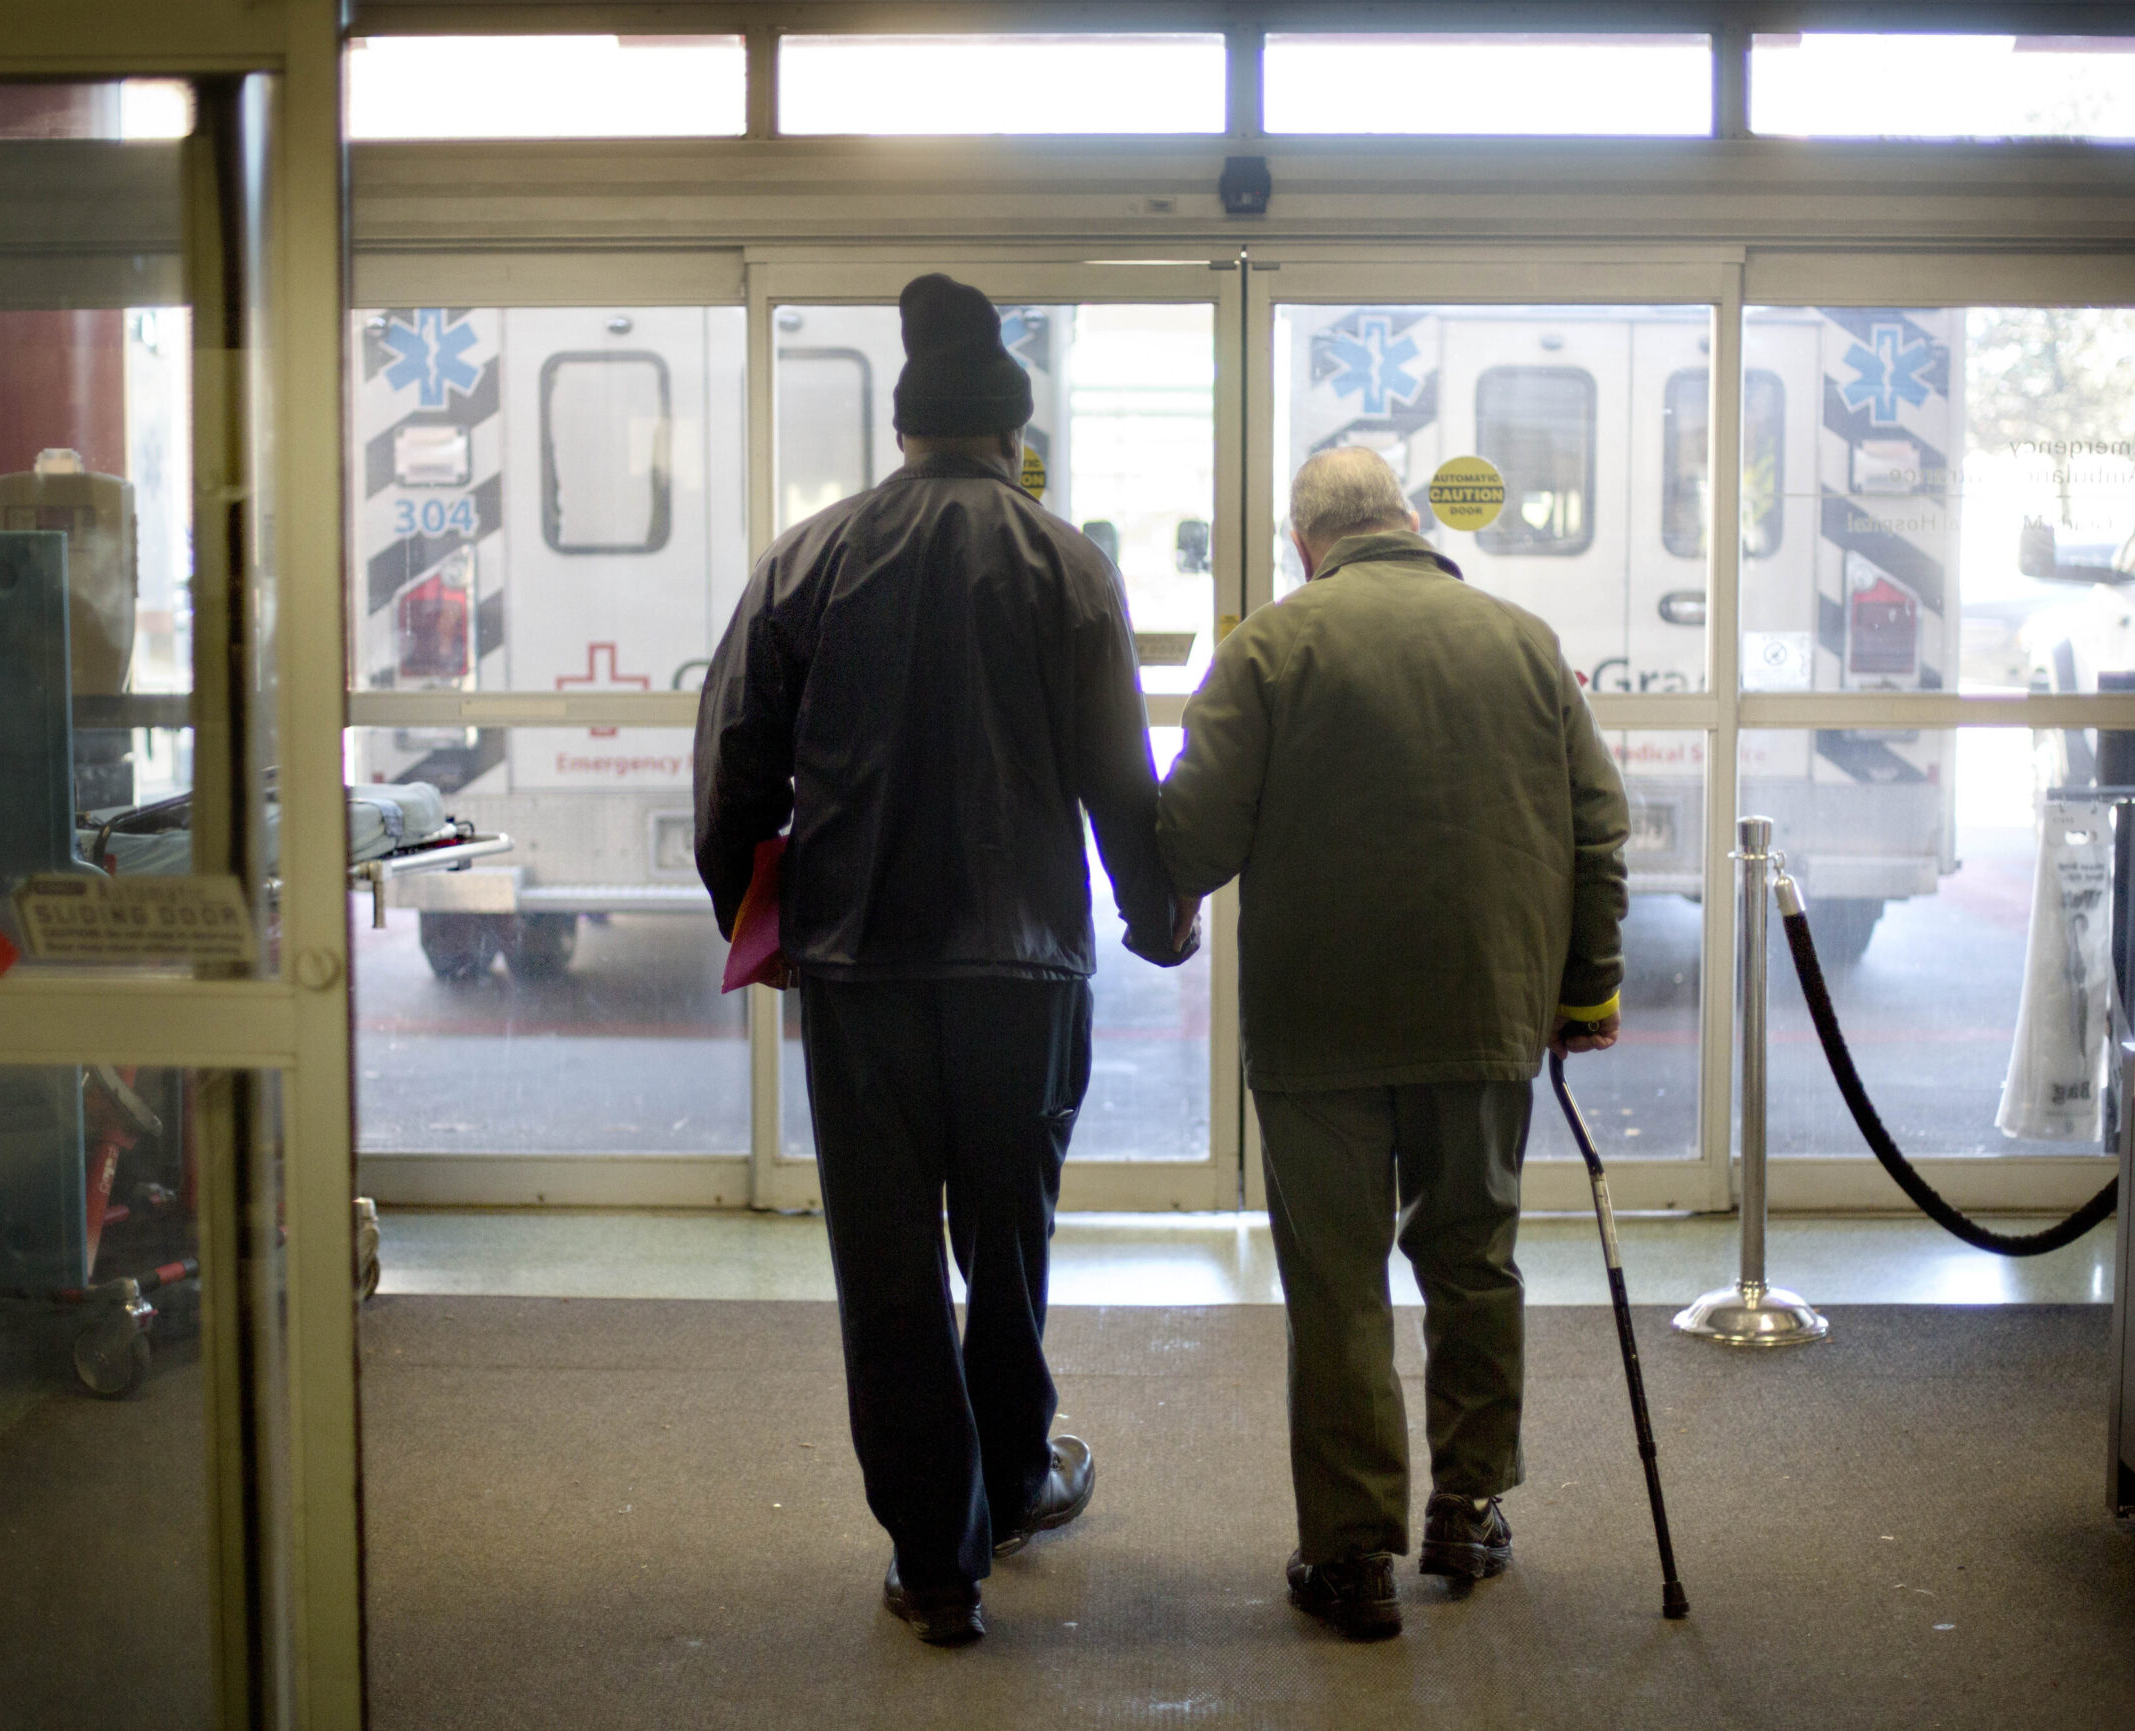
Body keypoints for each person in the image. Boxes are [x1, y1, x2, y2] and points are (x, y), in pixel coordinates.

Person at [693, 274, 1197, 1646]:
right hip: (1024, 970)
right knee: (1009, 1237)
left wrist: (761, 917)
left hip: (860, 971)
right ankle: (1021, 1473)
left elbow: (733, 763)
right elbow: (1116, 776)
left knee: (888, 1262)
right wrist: (1158, 915)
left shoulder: (809, 558)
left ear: (907, 433)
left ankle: (935, 1563)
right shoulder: (1067, 561)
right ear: (1009, 436)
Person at [1156, 445, 1629, 1640]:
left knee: (1337, 1283)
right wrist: (1585, 993)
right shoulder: (1522, 639)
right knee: (1473, 1258)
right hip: (1483, 1007)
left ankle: (1352, 1557)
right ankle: (1466, 1511)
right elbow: (1595, 831)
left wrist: (1149, 901)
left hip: (1318, 1021)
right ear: (1411, 523)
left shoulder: (1268, 645)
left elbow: (1192, 837)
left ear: (1305, 543)